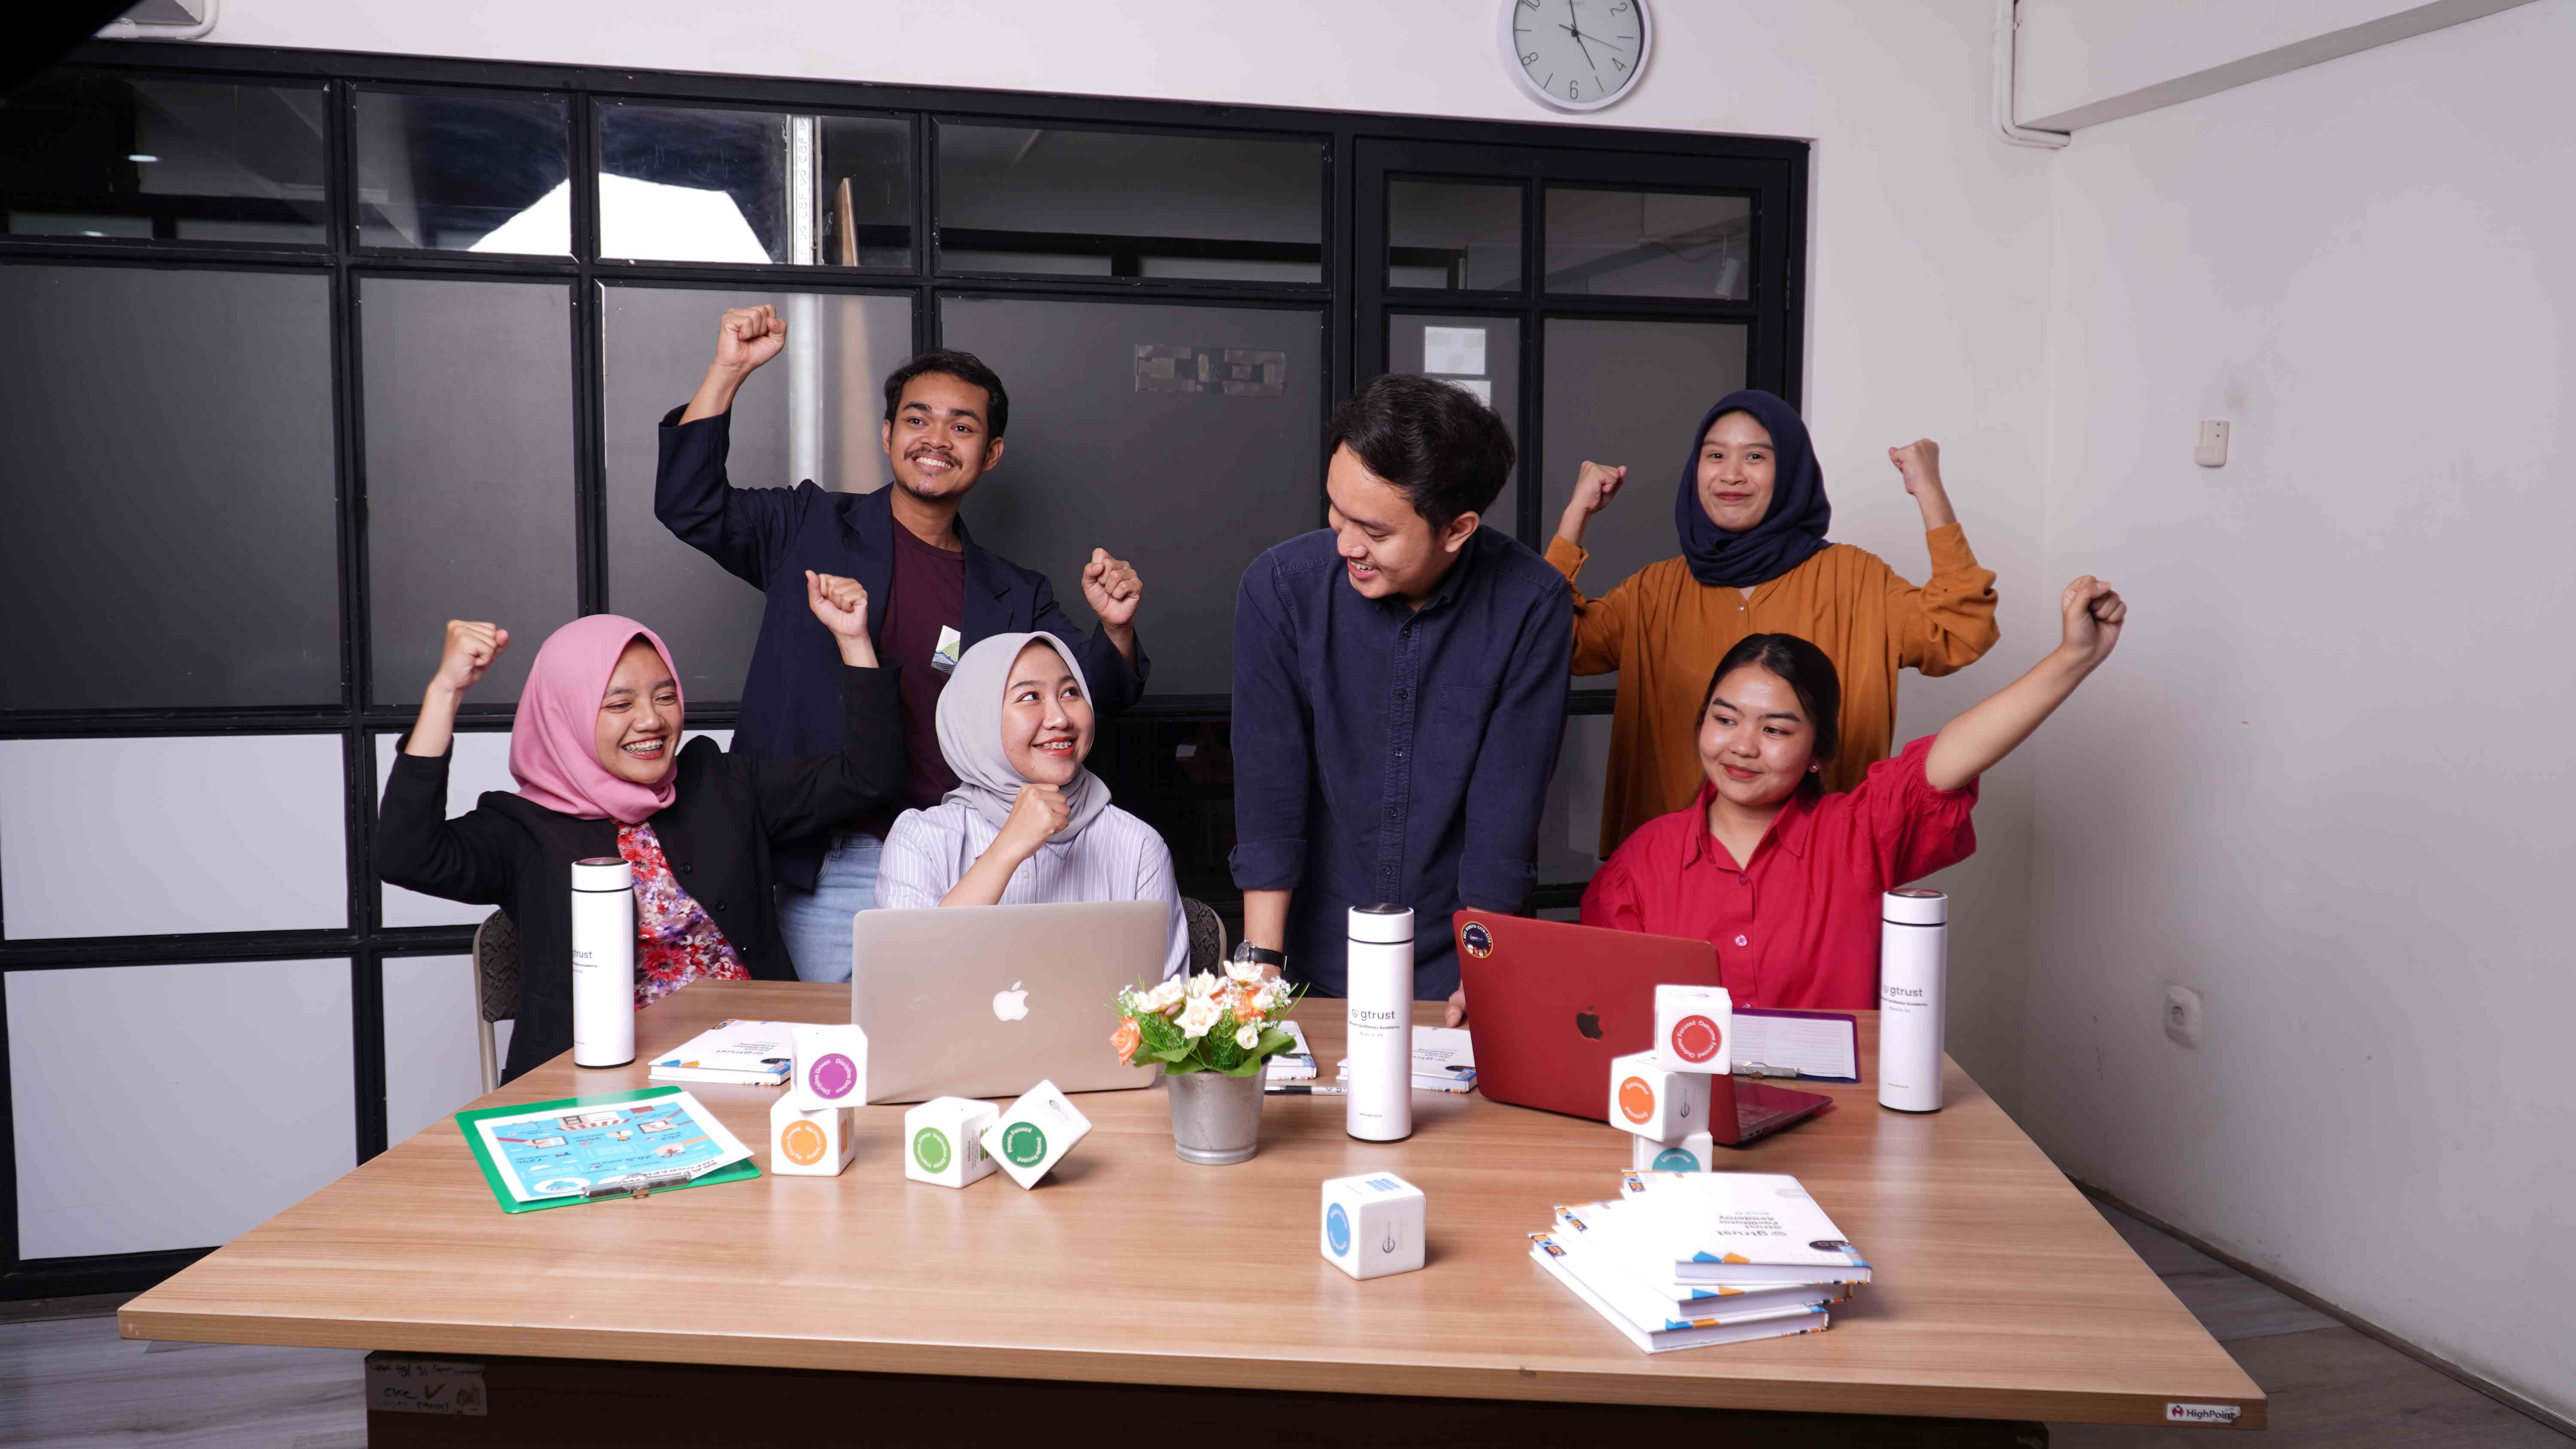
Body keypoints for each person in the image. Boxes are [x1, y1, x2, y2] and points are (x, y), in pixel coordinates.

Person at [656, 305, 1151, 985]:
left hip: (957, 851)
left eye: (962, 426)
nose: (937, 439)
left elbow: (1093, 695)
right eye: (918, 420)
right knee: (839, 1042)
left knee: (960, 1031)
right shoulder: (810, 525)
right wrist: (729, 371)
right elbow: (690, 504)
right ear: (888, 435)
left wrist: (1116, 626)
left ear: (991, 453)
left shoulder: (1014, 592)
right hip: (827, 858)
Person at [375, 573, 899, 1082]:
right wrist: (446, 692)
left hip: (759, 1066)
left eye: (665, 696)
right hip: (596, 1088)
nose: (651, 720)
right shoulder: (521, 829)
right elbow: (405, 856)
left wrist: (853, 640)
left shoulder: (720, 782)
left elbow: (869, 777)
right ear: (565, 714)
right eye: (620, 704)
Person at [1578, 576, 2126, 1010]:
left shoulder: (1859, 834)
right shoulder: (1640, 862)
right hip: (1688, 1111)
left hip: (1844, 1115)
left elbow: (1949, 760)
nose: (1742, 746)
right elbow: (1610, 1013)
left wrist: (2073, 657)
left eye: (1775, 729)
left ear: (1818, 751)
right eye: (1725, 719)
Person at [1230, 374, 1571, 1022]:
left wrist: (1484, 970)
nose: (1346, 545)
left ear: (1457, 529)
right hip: (1311, 953)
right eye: (1337, 513)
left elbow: (1506, 811)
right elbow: (1270, 786)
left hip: (1455, 960)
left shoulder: (1531, 605)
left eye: (1375, 531)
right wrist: (1262, 964)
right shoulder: (1281, 589)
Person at [1548, 389, 2000, 858]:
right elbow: (1552, 645)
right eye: (1715, 455)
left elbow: (1959, 632)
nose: (1731, 474)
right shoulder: (1653, 591)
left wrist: (1929, 491)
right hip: (1673, 867)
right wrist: (1575, 516)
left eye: (1756, 456)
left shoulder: (1855, 579)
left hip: (1820, 865)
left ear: (1790, 472)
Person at [873, 633, 1189, 979]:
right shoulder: (921, 839)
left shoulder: (1138, 846)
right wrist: (1007, 849)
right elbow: (902, 983)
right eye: (1030, 697)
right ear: (977, 718)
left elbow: (1163, 1002)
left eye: (1070, 692)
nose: (1060, 718)